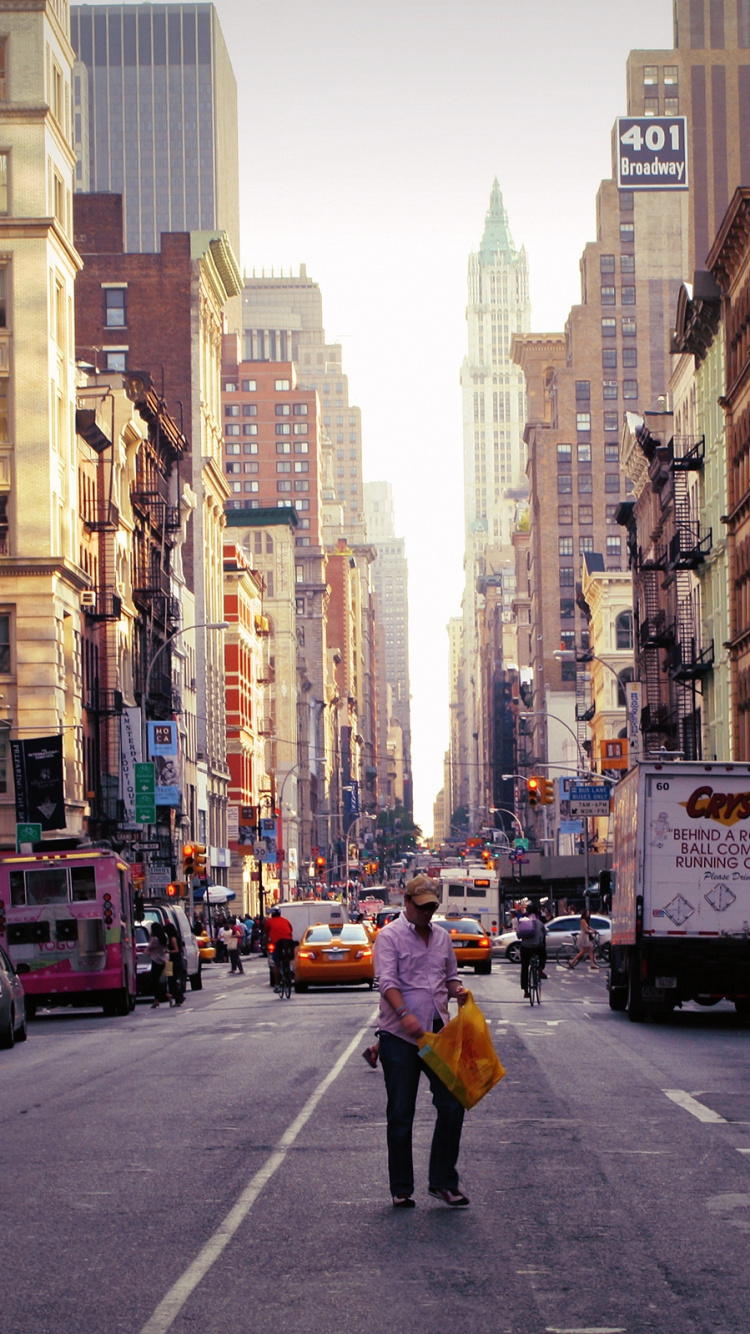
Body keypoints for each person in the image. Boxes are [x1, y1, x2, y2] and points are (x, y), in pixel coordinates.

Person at [373, 873, 470, 1210]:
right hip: (399, 1036)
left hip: (437, 1032)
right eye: (422, 907)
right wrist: (405, 1016)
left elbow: (450, 976)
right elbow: (387, 983)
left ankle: (443, 1180)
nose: (427, 914)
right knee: (401, 1112)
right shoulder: (390, 937)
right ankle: (401, 1187)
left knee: (452, 1104)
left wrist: (459, 991)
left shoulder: (442, 937)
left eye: (432, 908)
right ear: (407, 903)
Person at [516, 902, 547, 997]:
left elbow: (518, 935)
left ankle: (525, 991)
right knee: (543, 953)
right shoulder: (540, 923)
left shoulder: (523, 921)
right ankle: (540, 969)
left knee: (524, 967)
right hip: (537, 948)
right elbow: (543, 936)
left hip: (525, 948)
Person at [266, 907, 294, 988]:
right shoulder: (285, 920)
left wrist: (266, 944)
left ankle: (277, 984)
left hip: (277, 943)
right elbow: (290, 930)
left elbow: (266, 933)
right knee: (287, 958)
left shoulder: (270, 921)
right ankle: (288, 969)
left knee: (276, 963)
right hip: (288, 942)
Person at [146, 923, 170, 1008]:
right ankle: (159, 998)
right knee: (160, 980)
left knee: (154, 981)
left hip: (156, 961)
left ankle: (164, 996)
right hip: (164, 960)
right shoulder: (165, 937)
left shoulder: (155, 939)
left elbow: (149, 947)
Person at [568, 907, 599, 971]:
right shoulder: (583, 920)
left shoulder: (585, 920)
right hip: (584, 937)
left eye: (588, 913)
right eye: (587, 913)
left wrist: (593, 930)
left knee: (590, 949)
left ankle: (592, 963)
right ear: (584, 914)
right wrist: (592, 932)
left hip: (586, 936)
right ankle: (572, 962)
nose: (588, 914)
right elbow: (586, 930)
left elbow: (588, 927)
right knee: (583, 951)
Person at [165, 921, 185, 1005]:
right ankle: (177, 998)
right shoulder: (172, 938)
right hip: (169, 962)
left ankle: (179, 996)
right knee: (170, 981)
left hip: (173, 961)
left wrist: (168, 951)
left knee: (172, 981)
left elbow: (177, 950)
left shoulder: (173, 938)